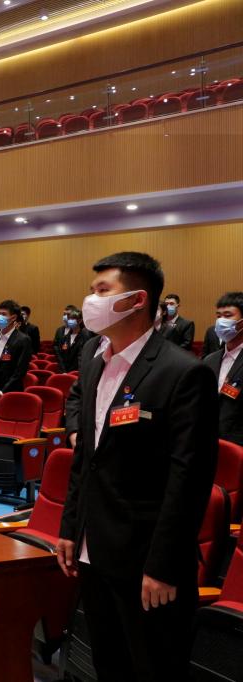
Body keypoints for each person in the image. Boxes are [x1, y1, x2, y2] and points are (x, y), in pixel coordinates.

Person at [57, 251, 217, 682]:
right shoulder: (94, 357)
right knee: (107, 664)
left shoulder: (183, 372)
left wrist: (163, 565)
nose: (91, 300)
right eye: (91, 290)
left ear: (137, 300)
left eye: (102, 290)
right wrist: (70, 527)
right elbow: (86, 457)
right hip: (93, 547)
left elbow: (189, 480)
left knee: (152, 668)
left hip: (146, 559)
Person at [202, 291, 243, 447]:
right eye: (218, 316)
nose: (221, 321)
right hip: (209, 440)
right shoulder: (209, 360)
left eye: (228, 315)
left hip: (238, 443)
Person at [0, 300, 32, 401]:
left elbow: (20, 372)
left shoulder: (23, 340)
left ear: (13, 317)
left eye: (3, 314)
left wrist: (2, 392)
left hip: (11, 394)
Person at [56, 308, 92, 373]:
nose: (70, 321)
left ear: (80, 320)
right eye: (69, 319)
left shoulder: (85, 337)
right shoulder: (65, 337)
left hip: (78, 373)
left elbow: (83, 357)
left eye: (72, 319)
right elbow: (60, 356)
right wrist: (63, 372)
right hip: (64, 372)